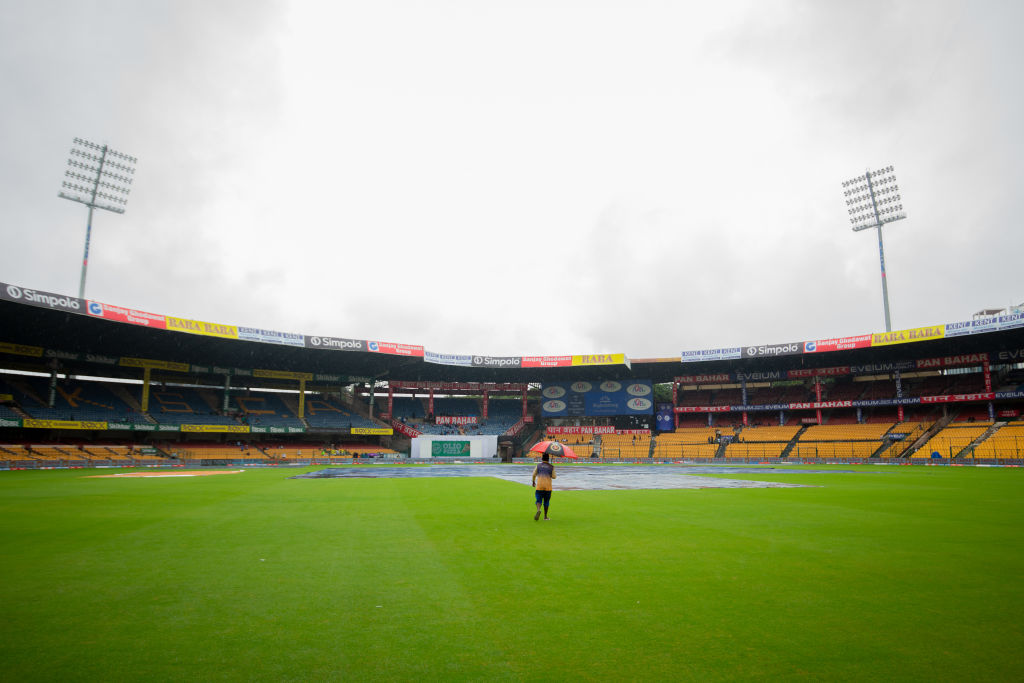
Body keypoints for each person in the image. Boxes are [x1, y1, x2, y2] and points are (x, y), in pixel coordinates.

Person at [531, 453, 557, 521]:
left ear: (542, 458)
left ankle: (538, 510)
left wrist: (533, 482)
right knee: (546, 501)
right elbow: (554, 477)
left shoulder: (538, 465)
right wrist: (550, 473)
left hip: (539, 486)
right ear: (548, 459)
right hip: (548, 487)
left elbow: (534, 474)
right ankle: (545, 516)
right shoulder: (551, 467)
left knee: (538, 499)